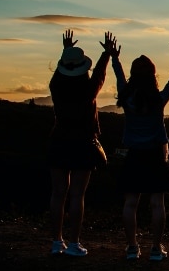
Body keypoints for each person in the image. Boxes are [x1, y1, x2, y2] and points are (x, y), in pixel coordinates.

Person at [113, 35, 169, 261]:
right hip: (156, 154)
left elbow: (118, 77)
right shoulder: (158, 99)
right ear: (152, 75)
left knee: (130, 202)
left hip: (134, 154)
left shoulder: (126, 98)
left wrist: (114, 58)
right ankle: (156, 248)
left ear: (133, 75)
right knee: (157, 203)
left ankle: (131, 247)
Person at [47, 29, 115, 256]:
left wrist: (66, 50)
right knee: (77, 195)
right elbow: (100, 76)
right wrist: (107, 53)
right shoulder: (88, 90)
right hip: (83, 143)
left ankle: (56, 241)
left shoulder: (56, 86)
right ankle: (74, 242)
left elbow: (62, 71)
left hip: (59, 139)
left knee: (58, 193)